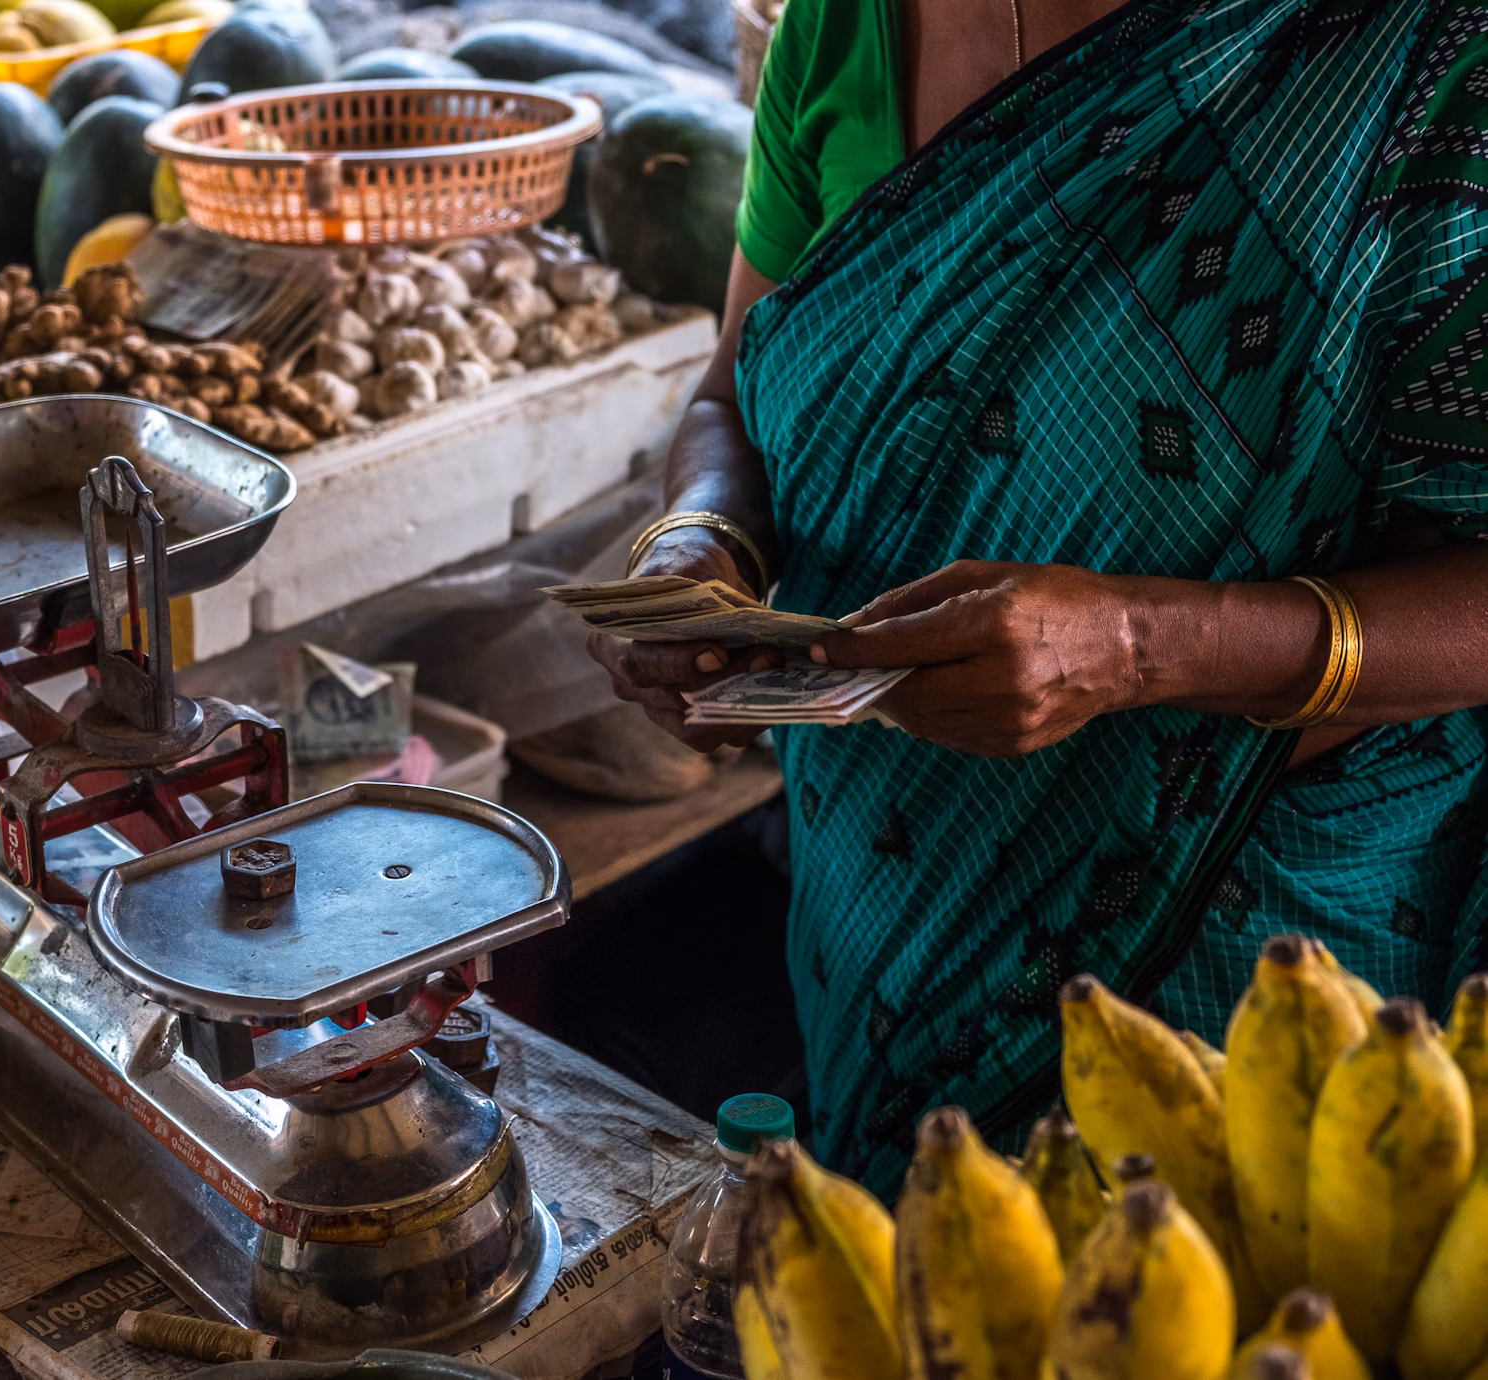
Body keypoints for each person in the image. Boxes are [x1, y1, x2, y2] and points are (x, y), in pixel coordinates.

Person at [589, 0, 1488, 1192]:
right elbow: (729, 394)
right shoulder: (845, 26)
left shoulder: (1417, 64)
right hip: (884, 899)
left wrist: (1136, 646)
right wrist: (700, 544)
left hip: (1246, 941)